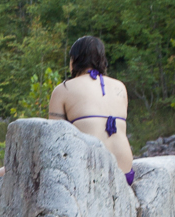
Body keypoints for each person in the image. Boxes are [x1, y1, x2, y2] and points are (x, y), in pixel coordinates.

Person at [50, 35, 135, 184]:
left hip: (89, 173)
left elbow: (54, 141)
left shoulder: (63, 89)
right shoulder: (120, 87)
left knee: (2, 173)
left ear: (74, 60)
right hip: (125, 174)